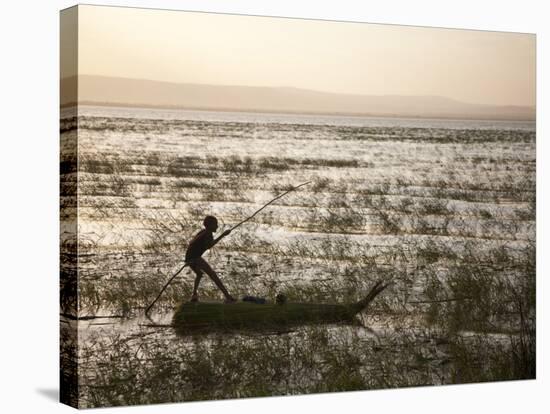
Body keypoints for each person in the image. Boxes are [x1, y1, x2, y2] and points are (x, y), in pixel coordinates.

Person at [185, 215, 236, 303]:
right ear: (210, 225)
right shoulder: (207, 233)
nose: (217, 226)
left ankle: (194, 295)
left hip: (189, 257)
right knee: (213, 275)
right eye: (215, 224)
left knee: (199, 274)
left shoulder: (204, 232)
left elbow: (193, 244)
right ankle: (228, 297)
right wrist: (223, 235)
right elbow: (209, 246)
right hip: (194, 258)